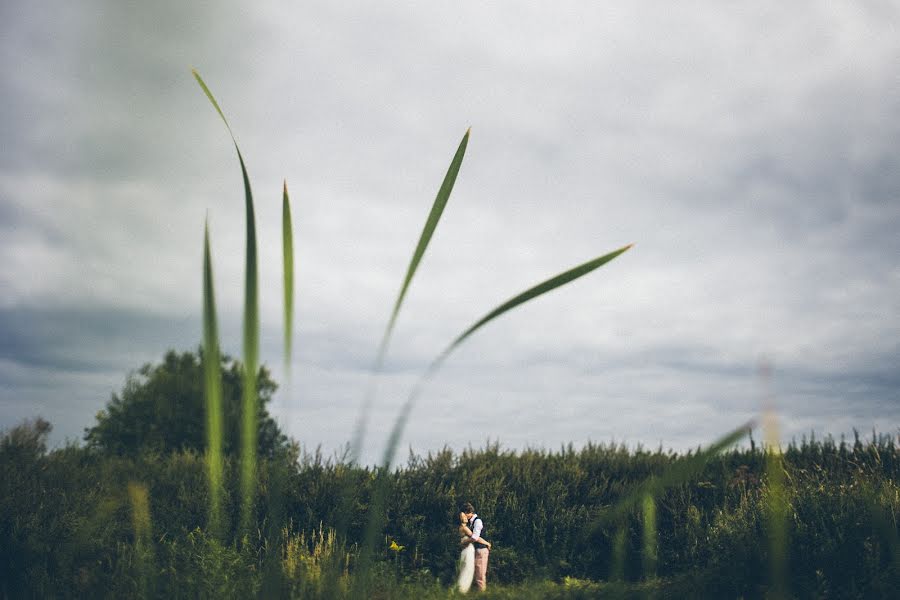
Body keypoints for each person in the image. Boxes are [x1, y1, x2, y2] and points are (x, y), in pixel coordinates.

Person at [461, 502, 491, 591]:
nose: (464, 516)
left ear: (468, 512)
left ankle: (482, 594)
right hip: (477, 549)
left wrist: (464, 542)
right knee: (477, 572)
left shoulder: (477, 521)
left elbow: (474, 537)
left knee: (480, 573)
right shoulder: (470, 522)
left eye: (464, 514)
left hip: (481, 549)